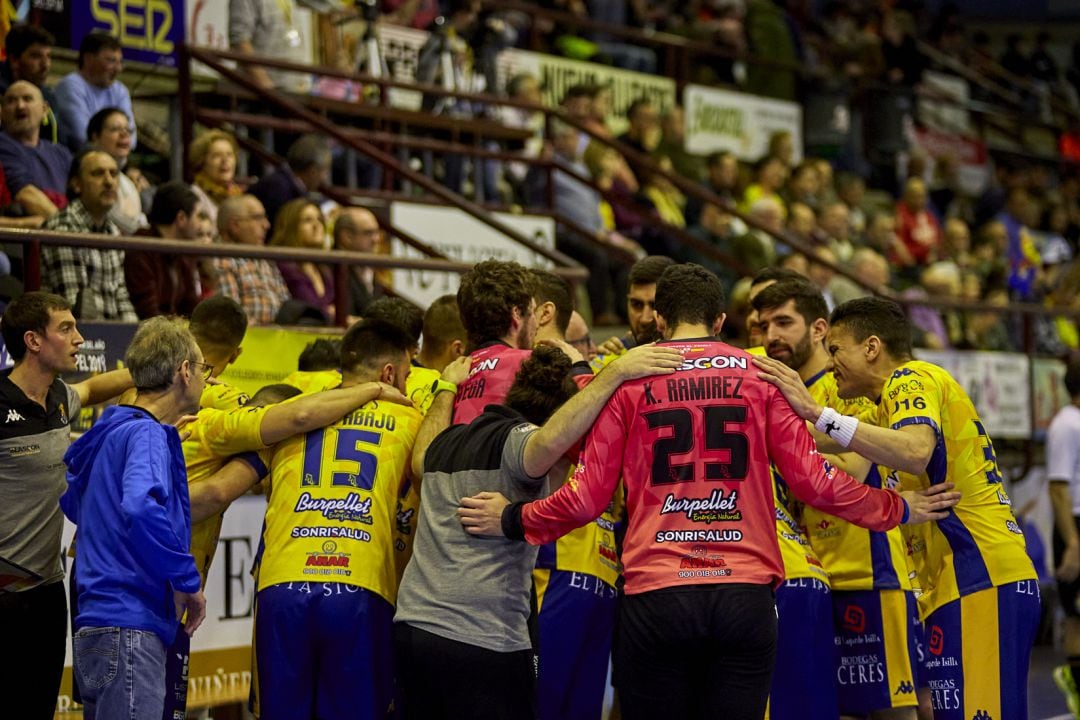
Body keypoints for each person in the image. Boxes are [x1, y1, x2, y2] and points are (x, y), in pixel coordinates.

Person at [459, 264, 958, 720]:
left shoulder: (628, 381)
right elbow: (815, 481)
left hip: (657, 591)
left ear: (659, 320)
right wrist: (895, 507)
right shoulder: (758, 377)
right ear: (720, 319)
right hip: (745, 594)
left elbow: (587, 497)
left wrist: (513, 518)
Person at [753, 296, 1040, 720]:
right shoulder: (882, 405)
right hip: (955, 581)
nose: (831, 364)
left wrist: (815, 409)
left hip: (979, 576)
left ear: (871, 347)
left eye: (836, 350)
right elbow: (818, 439)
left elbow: (914, 451)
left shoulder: (910, 378)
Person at [395, 342, 683, 720]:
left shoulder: (445, 442)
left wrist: (447, 388)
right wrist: (614, 373)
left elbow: (418, 459)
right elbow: (549, 441)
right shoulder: (521, 443)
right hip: (483, 639)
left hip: (413, 629)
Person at [753, 279, 922, 719]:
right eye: (763, 324)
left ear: (817, 329)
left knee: (896, 709)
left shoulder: (845, 388)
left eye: (784, 322)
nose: (771, 335)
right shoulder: (778, 391)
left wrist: (779, 441)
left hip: (870, 570)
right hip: (815, 575)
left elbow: (853, 469)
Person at [251, 320, 422, 720]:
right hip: (359, 582)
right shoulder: (411, 418)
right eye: (406, 375)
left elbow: (241, 483)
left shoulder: (294, 408)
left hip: (280, 583)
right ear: (389, 373)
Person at [61, 318, 207, 720]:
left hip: (96, 625)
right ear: (182, 371)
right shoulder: (145, 436)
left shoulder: (113, 429)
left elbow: (77, 503)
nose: (205, 380)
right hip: (131, 627)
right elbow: (141, 508)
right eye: (202, 369)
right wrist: (187, 581)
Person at [0, 292, 132, 720]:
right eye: (66, 328)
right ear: (33, 341)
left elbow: (93, 387)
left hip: (46, 591)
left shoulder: (58, 396)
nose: (79, 338)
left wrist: (153, 366)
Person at [42, 149, 138, 321]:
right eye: (98, 174)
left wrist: (136, 340)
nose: (109, 181)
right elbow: (74, 308)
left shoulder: (113, 231)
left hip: (107, 336)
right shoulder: (63, 228)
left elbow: (122, 300)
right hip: (73, 338)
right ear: (77, 184)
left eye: (114, 174)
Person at [124, 180, 205, 319]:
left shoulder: (183, 252)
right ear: (181, 218)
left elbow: (191, 306)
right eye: (198, 216)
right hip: (149, 334)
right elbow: (147, 311)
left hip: (172, 331)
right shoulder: (141, 246)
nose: (201, 225)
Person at [1049, 357, 1080, 714]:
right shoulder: (1066, 426)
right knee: (1076, 613)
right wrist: (1072, 542)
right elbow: (1058, 487)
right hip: (1073, 524)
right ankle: (1073, 678)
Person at [210, 194, 291, 325]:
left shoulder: (265, 259)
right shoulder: (221, 258)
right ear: (235, 225)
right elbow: (230, 317)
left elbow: (286, 303)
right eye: (258, 218)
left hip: (278, 335)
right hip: (247, 338)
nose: (267, 225)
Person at [0, 80, 71, 219]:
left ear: (45, 110)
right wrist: (66, 229)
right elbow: (25, 194)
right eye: (11, 101)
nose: (20, 106)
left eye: (27, 99)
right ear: (1, 113)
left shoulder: (61, 153)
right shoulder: (2, 144)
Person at [54, 32, 136, 152]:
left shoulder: (120, 90)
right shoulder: (70, 86)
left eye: (120, 62)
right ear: (88, 59)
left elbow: (131, 140)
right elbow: (83, 136)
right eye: (111, 61)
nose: (118, 69)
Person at [270, 198, 334, 321]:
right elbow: (308, 306)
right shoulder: (283, 266)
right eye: (307, 220)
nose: (317, 225)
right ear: (291, 227)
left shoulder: (324, 268)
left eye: (319, 219)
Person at [86, 106, 147, 234]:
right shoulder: (86, 175)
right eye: (115, 129)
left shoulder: (128, 182)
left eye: (128, 130)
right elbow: (107, 215)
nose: (124, 134)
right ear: (95, 136)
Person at [249, 134, 331, 227]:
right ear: (313, 171)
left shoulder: (282, 183)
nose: (325, 178)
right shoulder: (279, 188)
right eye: (324, 171)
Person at [0, 24, 60, 141]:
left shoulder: (48, 96)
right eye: (36, 57)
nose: (46, 65)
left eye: (48, 56)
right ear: (14, 60)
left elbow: (61, 140)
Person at [189, 130, 244, 234]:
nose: (225, 160)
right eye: (216, 156)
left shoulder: (238, 196)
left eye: (229, 155)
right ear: (202, 162)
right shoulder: (195, 196)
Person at [333, 206, 384, 316]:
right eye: (368, 233)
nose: (376, 239)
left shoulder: (369, 268)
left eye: (377, 232)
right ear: (346, 237)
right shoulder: (330, 270)